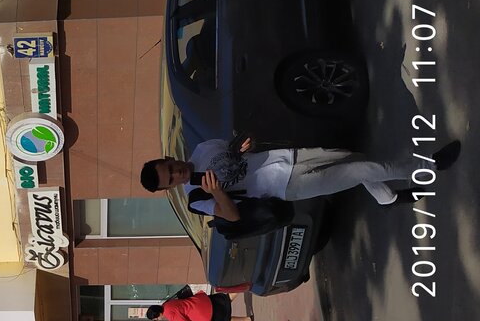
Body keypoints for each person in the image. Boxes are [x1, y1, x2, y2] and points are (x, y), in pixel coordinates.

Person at [140, 137, 461, 215]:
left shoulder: (202, 149)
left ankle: (387, 197)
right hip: (285, 186)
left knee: (356, 160)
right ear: (171, 188)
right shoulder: (196, 198)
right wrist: (218, 194)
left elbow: (238, 146)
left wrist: (244, 142)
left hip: (286, 158)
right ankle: (432, 164)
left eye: (171, 168)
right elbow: (233, 218)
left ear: (169, 159)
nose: (178, 173)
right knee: (365, 170)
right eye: (172, 179)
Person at [144, 288, 254, 321]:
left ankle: (247, 320)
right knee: (225, 300)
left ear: (157, 314)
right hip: (200, 302)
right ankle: (243, 288)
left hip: (203, 314)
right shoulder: (167, 304)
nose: (158, 319)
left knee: (225, 320)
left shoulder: (170, 315)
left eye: (156, 318)